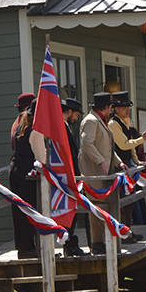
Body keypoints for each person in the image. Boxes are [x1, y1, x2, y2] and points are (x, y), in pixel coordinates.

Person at [78, 92, 121, 255]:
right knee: (96, 206)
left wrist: (118, 162)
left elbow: (108, 147)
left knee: (104, 205)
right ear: (105, 107)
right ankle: (97, 243)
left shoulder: (101, 121)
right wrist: (100, 161)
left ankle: (103, 241)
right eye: (110, 107)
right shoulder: (91, 121)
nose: (112, 110)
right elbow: (86, 144)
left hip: (104, 171)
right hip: (94, 171)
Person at [8, 99, 47, 258]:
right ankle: (30, 249)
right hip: (28, 175)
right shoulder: (36, 131)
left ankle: (24, 248)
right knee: (31, 211)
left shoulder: (21, 127)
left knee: (19, 212)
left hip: (16, 170)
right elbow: (41, 158)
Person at [108, 92, 146, 228]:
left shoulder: (124, 122)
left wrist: (137, 161)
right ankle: (123, 232)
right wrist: (141, 140)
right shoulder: (113, 124)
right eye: (123, 107)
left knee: (130, 201)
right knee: (123, 201)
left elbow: (130, 147)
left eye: (128, 107)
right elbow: (124, 144)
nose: (127, 109)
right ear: (116, 109)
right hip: (118, 166)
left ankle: (128, 230)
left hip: (127, 165)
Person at [61, 97, 85, 257]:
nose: (76, 118)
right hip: (67, 177)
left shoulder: (66, 127)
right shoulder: (62, 127)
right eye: (76, 115)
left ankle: (70, 242)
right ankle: (69, 244)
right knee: (69, 212)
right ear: (69, 112)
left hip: (72, 176)